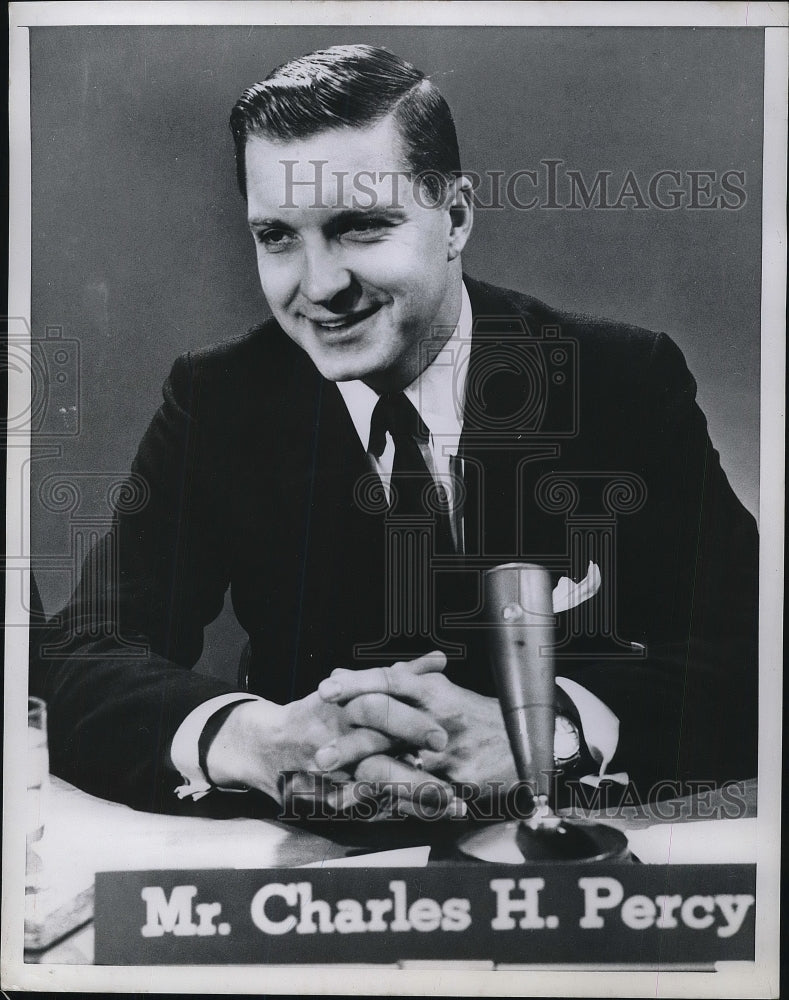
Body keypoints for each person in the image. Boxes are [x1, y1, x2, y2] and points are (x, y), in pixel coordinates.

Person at [32, 44, 758, 817]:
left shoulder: (620, 379)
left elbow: (756, 651)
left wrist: (546, 732)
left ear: (454, 218)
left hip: (569, 853)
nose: (318, 287)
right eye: (277, 237)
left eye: (360, 227)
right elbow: (85, 650)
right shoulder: (219, 399)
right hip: (315, 868)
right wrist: (257, 741)